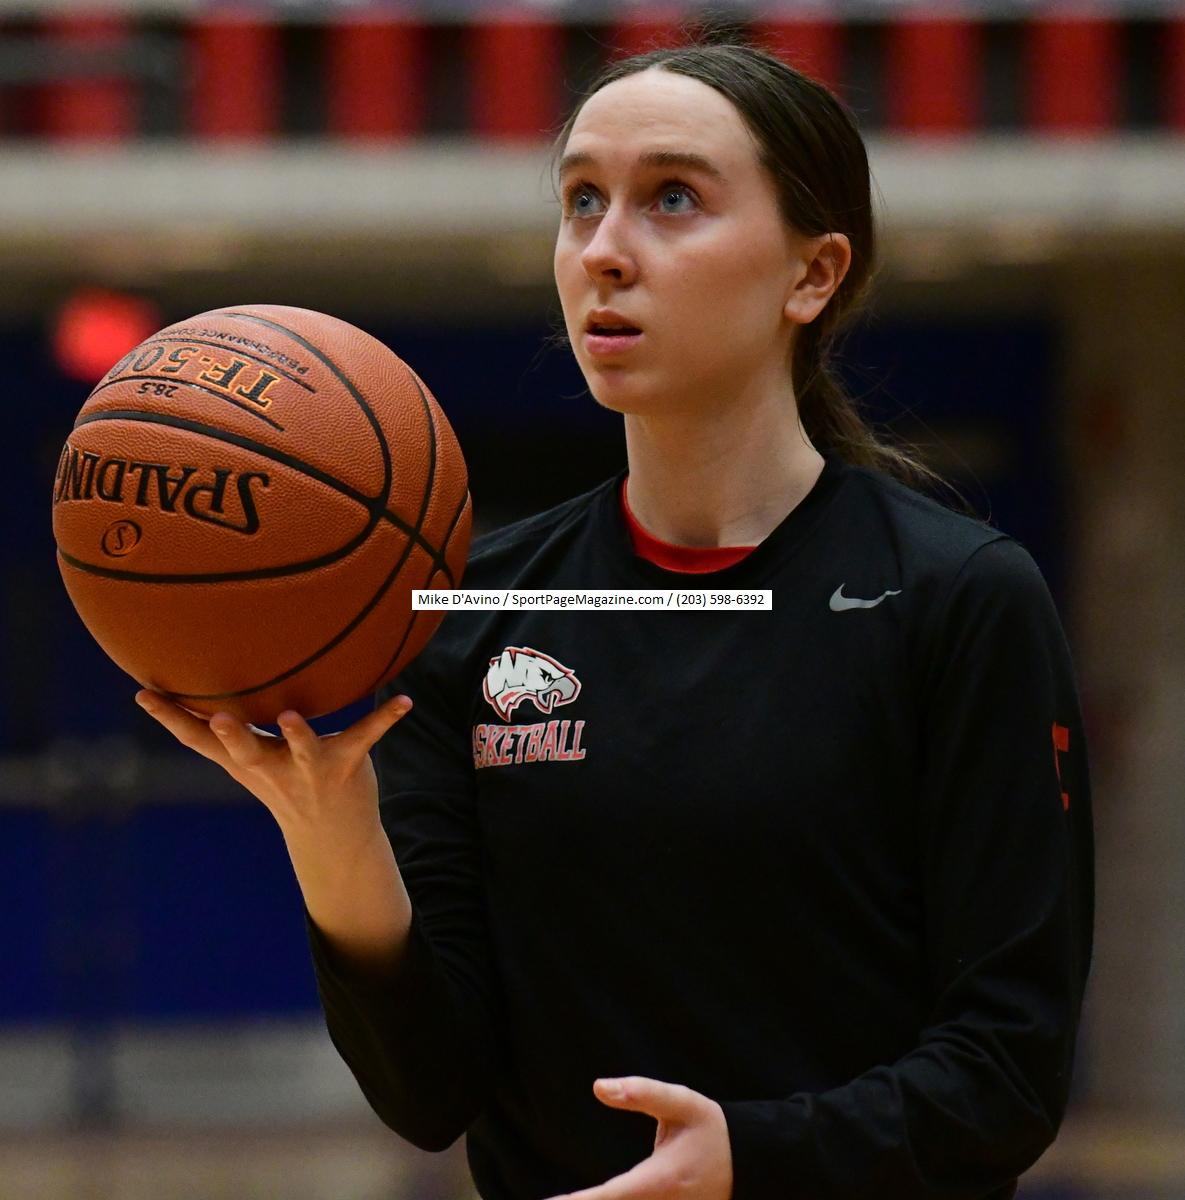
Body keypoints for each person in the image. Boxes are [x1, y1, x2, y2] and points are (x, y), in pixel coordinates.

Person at [137, 41, 1094, 1200]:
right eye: (582, 199)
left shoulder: (957, 598)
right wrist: (329, 838)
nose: (603, 249)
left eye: (672, 199)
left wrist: (750, 1158)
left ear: (813, 273)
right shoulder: (476, 612)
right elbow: (431, 1094)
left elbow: (1008, 1073)